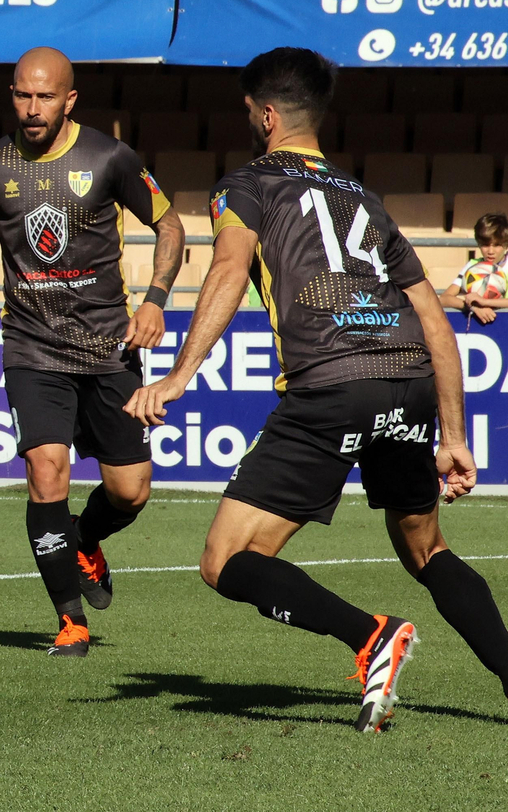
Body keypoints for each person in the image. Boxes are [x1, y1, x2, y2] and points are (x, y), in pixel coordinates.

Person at [125, 47, 508, 733]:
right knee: (427, 548)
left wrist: (179, 376)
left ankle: (371, 636)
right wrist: (453, 433)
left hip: (332, 386)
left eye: (249, 112)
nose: (249, 122)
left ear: (267, 115)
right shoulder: (365, 198)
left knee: (228, 560)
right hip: (409, 379)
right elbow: (433, 321)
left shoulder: (245, 187)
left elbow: (228, 271)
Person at [0, 47, 186, 656]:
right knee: (45, 472)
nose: (32, 109)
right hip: (32, 348)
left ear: (70, 100)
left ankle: (84, 540)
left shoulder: (109, 157)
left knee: (131, 490)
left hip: (109, 348)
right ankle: (70, 621)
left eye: (45, 97)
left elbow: (170, 224)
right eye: (22, 96)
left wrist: (157, 299)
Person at [439, 213, 508, 326]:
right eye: (485, 245)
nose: (491, 251)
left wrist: (485, 302)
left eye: (497, 245)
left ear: (506, 245)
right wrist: (472, 306)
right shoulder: (472, 267)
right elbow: (444, 298)